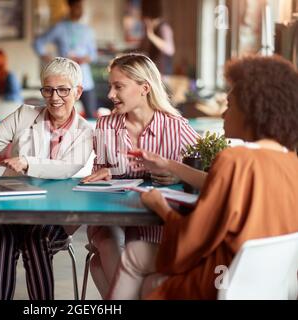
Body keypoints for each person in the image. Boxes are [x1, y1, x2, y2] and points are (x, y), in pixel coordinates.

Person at [108, 55, 298, 300]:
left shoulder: (234, 160)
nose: (223, 114)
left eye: (230, 105)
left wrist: (161, 207)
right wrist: (168, 163)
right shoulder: (290, 162)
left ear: (252, 110)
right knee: (147, 276)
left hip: (221, 276)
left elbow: (189, 242)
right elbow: (222, 185)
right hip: (267, 284)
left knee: (137, 257)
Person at [0, 57, 93, 300]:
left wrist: (27, 162)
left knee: (36, 240)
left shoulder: (85, 132)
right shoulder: (24, 115)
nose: (54, 97)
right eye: (48, 90)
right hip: (8, 209)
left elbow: (67, 168)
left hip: (53, 217)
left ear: (78, 91)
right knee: (4, 240)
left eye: (63, 90)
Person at [81, 53, 199, 298]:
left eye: (118, 87)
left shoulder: (176, 127)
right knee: (108, 241)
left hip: (157, 223)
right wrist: (101, 173)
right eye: (111, 86)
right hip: (112, 220)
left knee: (98, 266)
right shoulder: (105, 125)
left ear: (144, 88)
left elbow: (205, 172)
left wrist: (177, 176)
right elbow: (97, 178)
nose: (111, 94)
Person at [33, 0, 98, 119]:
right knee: (61, 115)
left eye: (81, 7)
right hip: (63, 81)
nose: (79, 10)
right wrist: (51, 60)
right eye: (77, 7)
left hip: (86, 81)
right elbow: (38, 43)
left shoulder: (87, 30)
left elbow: (93, 54)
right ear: (70, 7)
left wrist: (84, 59)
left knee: (90, 116)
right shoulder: (59, 28)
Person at [138, 0, 175, 75]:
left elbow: (170, 50)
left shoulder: (164, 28)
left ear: (148, 18)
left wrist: (151, 36)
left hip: (164, 74)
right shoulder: (150, 29)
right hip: (154, 71)